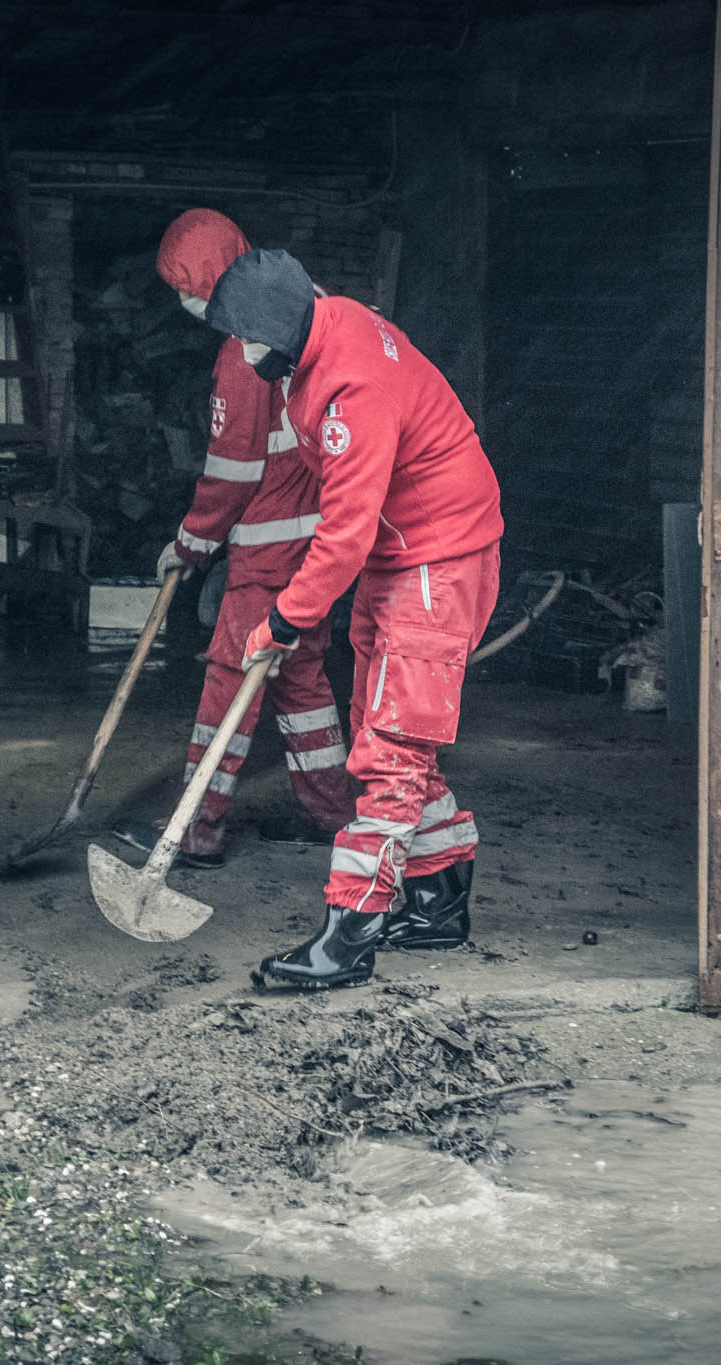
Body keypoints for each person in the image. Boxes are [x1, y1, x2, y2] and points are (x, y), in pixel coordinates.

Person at [203, 248, 504, 989]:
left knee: (392, 752)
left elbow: (342, 535)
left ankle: (347, 937)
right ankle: (437, 902)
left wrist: (283, 621)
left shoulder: (353, 392)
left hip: (435, 560)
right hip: (402, 553)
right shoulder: (328, 329)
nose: (243, 352)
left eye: (248, 339)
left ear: (280, 331)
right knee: (383, 727)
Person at [112, 210, 356, 870]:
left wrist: (190, 544)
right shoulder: (307, 311)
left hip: (270, 544)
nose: (184, 303)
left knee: (231, 673)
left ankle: (196, 825)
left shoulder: (242, 357)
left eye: (185, 288)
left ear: (211, 281)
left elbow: (232, 472)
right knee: (299, 674)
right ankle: (332, 812)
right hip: (317, 536)